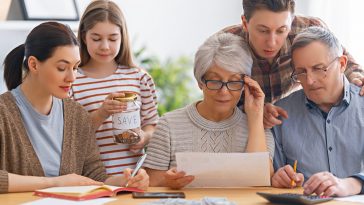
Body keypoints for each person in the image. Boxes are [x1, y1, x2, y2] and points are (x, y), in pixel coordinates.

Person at [0, 22, 148, 193]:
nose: (72, 77)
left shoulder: (77, 115)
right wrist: (54, 183)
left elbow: (95, 177)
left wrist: (124, 181)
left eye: (76, 67)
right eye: (62, 68)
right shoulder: (3, 112)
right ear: (34, 65)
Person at [143, 32, 275, 189]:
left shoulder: (259, 130)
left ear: (245, 84)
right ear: (200, 82)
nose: (224, 92)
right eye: (215, 81)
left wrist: (255, 116)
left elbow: (261, 181)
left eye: (233, 82)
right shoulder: (169, 124)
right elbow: (150, 181)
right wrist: (168, 181)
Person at [221, 0, 364, 128]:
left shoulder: (309, 29)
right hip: (243, 125)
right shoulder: (225, 45)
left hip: (292, 121)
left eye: (281, 30)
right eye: (263, 30)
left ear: (291, 22)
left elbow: (342, 61)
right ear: (245, 23)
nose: (272, 42)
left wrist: (358, 78)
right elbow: (214, 95)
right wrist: (251, 111)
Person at [271, 26, 364, 197]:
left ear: (342, 64)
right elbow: (273, 178)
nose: (310, 81)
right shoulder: (281, 114)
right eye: (301, 72)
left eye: (319, 69)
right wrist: (277, 178)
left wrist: (350, 184)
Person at [71, 0, 158, 176]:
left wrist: (144, 137)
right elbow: (71, 135)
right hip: (90, 179)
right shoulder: (72, 81)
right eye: (96, 38)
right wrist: (102, 113)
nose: (105, 46)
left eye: (112, 38)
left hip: (134, 178)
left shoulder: (139, 78)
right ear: (83, 36)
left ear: (122, 37)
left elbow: (153, 125)